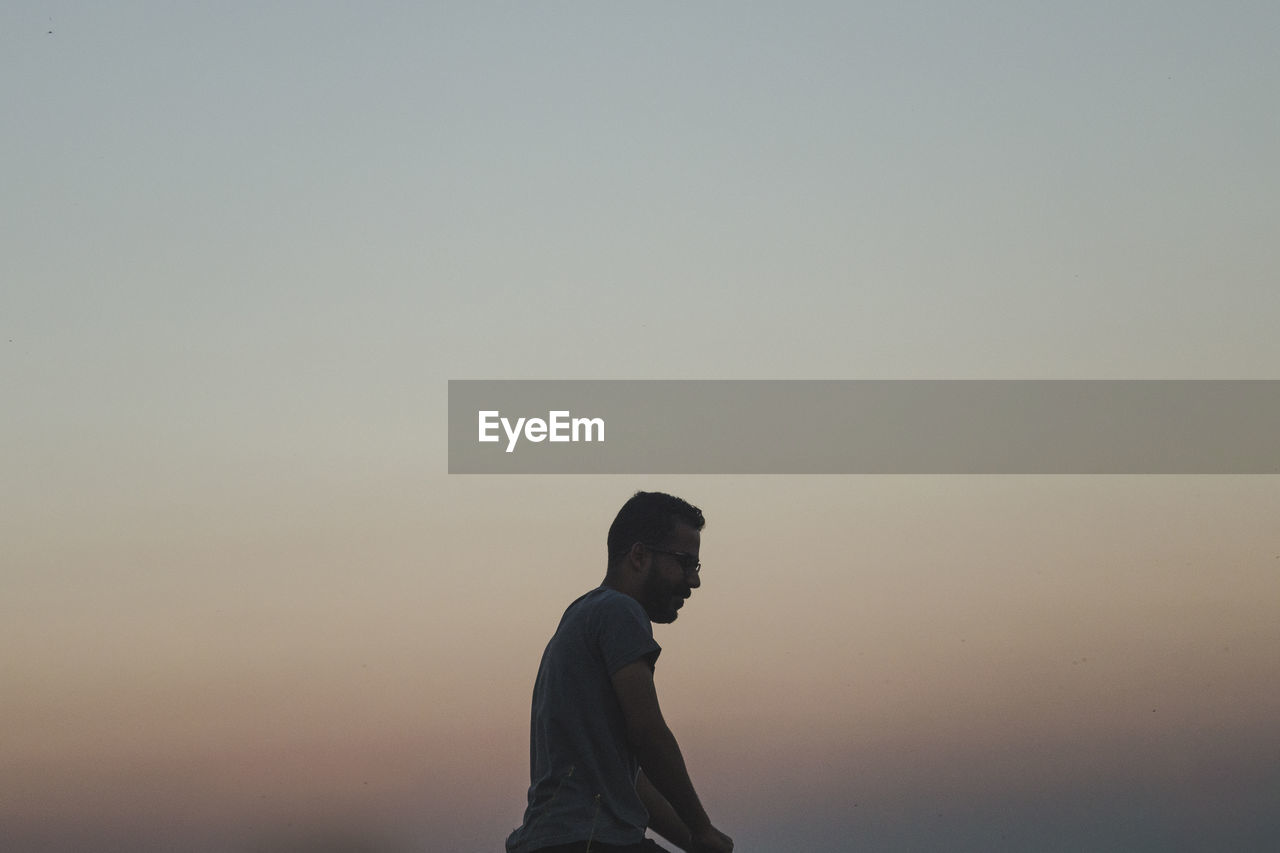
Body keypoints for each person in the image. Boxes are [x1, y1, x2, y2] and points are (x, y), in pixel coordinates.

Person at [505, 491, 734, 853]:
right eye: (684, 563)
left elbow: (632, 782)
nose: (694, 581)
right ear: (639, 556)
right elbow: (647, 732)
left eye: (696, 567)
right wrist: (703, 827)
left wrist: (696, 838)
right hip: (590, 841)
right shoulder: (620, 612)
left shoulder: (583, 615)